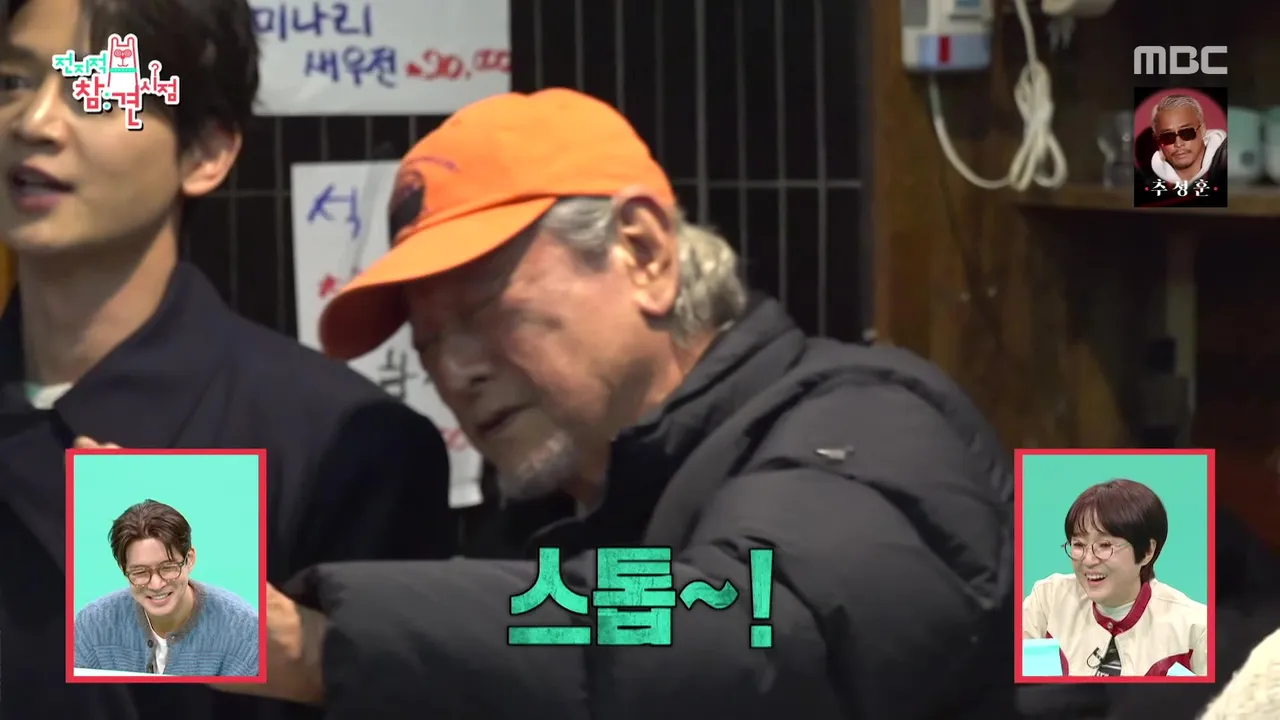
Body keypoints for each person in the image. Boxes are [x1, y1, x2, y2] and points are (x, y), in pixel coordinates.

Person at [216, 87, 1016, 718]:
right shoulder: (542, 521)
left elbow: (755, 626)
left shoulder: (863, 419)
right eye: (426, 342)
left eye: (484, 309)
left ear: (643, 252)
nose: (454, 370)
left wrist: (324, 641)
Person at [0, 0, 453, 717]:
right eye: (12, 83)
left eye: (97, 90)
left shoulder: (342, 444)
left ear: (205, 152)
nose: (34, 122)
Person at [1022, 479, 1208, 677]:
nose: (1088, 560)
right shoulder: (1048, 600)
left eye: (1105, 545)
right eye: (1078, 544)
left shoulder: (1196, 629)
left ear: (1147, 551)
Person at [75, 501, 258, 677]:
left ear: (189, 560)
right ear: (123, 569)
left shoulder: (242, 630)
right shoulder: (93, 626)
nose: (156, 585)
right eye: (140, 572)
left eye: (168, 568)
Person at [1139, 94, 1227, 205]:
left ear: (1202, 130)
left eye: (1187, 133)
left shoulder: (1227, 168)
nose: (1178, 144)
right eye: (1167, 137)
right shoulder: (1149, 190)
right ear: (1157, 140)